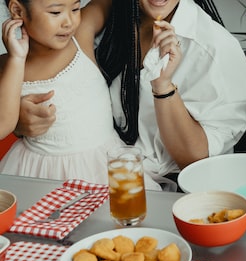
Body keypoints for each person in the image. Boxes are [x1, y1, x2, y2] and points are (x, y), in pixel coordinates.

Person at [14, 0, 246, 189]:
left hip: (172, 190)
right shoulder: (106, 17)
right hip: (95, 171)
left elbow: (194, 159)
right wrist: (20, 115)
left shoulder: (212, 50)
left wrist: (163, 86)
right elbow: (64, 78)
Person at [0, 0, 148, 188]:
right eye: (55, 12)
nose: (69, 22)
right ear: (17, 10)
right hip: (38, 172)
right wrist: (17, 58)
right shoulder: (7, 66)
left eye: (75, 9)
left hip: (103, 165)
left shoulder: (80, 36)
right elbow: (3, 126)